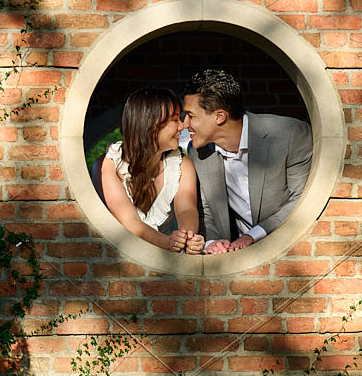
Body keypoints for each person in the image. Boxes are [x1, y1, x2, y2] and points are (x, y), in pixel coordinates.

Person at [182, 69, 313, 254]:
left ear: (220, 116)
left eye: (191, 116)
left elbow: (303, 200)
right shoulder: (197, 152)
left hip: (293, 250)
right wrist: (212, 241)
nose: (185, 124)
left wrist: (253, 235)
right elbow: (205, 209)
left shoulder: (291, 135)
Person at [100, 87, 205, 254]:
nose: (182, 126)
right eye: (175, 120)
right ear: (151, 125)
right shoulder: (112, 162)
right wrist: (168, 242)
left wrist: (188, 237)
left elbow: (186, 209)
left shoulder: (182, 164)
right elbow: (129, 221)